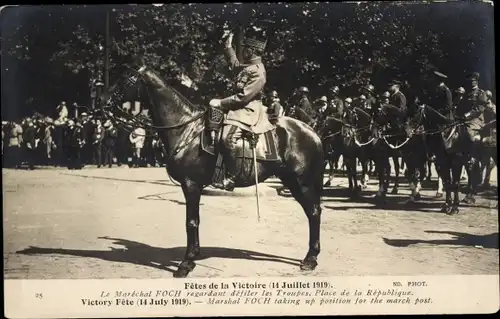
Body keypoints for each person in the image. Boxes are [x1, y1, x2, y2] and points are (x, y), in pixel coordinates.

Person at [208, 26, 273, 191]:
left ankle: (232, 177)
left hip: (248, 110)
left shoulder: (259, 72)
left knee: (226, 139)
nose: (243, 52)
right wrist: (228, 47)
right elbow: (235, 65)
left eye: (245, 50)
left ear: (251, 51)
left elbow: (244, 97)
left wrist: (221, 103)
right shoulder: (248, 67)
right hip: (237, 108)